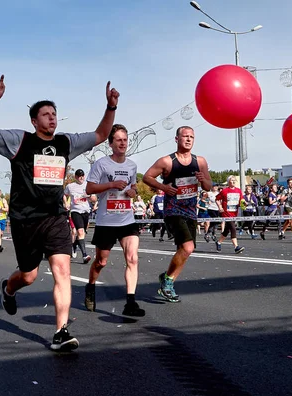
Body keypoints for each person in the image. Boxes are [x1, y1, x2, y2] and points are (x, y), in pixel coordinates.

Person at [0, 74, 120, 351]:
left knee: (62, 271)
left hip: (55, 217)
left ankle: (61, 331)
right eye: (46, 115)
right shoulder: (20, 140)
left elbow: (102, 134)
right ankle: (8, 288)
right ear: (34, 121)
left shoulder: (67, 143)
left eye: (54, 114)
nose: (52, 119)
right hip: (24, 219)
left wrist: (111, 107)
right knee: (28, 276)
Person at [142, 126, 212, 302]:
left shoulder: (200, 161)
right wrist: (164, 187)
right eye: (185, 136)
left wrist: (204, 181)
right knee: (188, 247)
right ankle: (168, 283)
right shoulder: (167, 161)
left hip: (190, 211)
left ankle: (168, 279)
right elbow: (147, 177)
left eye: (191, 137)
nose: (188, 139)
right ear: (176, 139)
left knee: (187, 249)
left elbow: (208, 186)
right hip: (173, 210)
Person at [84, 124, 145, 317]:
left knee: (133, 258)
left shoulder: (132, 165)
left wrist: (132, 191)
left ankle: (130, 302)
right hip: (106, 221)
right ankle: (91, 286)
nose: (122, 143)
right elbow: (89, 189)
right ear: (110, 143)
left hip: (126, 220)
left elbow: (134, 188)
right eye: (118, 139)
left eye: (125, 140)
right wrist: (111, 185)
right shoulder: (101, 164)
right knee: (101, 262)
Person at [63, 169, 92, 264]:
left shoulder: (88, 185)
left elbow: (94, 198)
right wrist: (65, 203)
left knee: (82, 234)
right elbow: (64, 194)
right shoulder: (70, 186)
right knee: (80, 231)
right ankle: (84, 255)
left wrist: (89, 196)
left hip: (86, 211)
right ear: (75, 177)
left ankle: (74, 245)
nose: (81, 177)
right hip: (75, 211)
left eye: (83, 175)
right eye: (79, 176)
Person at [215, 176, 245, 253]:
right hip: (226, 213)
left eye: (234, 180)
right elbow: (217, 199)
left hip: (234, 213)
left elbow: (241, 201)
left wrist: (244, 204)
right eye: (232, 180)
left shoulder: (238, 191)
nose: (233, 181)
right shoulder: (224, 191)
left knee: (226, 230)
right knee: (233, 228)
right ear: (228, 182)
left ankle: (218, 242)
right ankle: (236, 247)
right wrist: (220, 207)